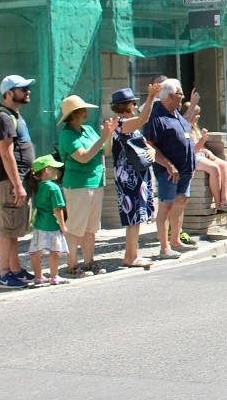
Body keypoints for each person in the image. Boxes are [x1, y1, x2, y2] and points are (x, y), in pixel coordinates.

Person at [58, 94, 116, 277]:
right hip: (77, 185)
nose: (85, 112)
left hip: (95, 182)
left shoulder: (89, 129)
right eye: (82, 109)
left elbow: (105, 151)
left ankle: (89, 262)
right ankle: (72, 264)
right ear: (73, 114)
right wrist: (103, 137)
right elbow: (82, 157)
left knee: (91, 228)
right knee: (75, 227)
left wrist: (109, 135)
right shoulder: (67, 135)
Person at [0, 75, 36, 288]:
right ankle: (3, 273)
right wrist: (17, 185)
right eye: (22, 88)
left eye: (27, 88)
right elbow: (6, 154)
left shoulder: (13, 115)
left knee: (14, 228)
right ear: (9, 93)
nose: (27, 91)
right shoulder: (2, 118)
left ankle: (15, 269)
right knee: (6, 228)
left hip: (16, 182)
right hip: (7, 183)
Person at [143, 78, 198, 258]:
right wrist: (167, 164)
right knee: (166, 206)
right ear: (170, 96)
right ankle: (164, 247)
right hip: (168, 172)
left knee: (181, 201)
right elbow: (149, 145)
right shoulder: (157, 117)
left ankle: (175, 240)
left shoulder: (175, 114)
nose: (182, 97)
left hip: (185, 169)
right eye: (180, 94)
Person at [110, 85, 160, 269]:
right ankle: (133, 257)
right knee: (134, 217)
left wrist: (152, 151)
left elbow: (141, 144)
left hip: (136, 173)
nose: (135, 105)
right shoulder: (120, 123)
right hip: (128, 175)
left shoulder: (125, 123)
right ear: (126, 105)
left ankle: (130, 255)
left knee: (136, 217)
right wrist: (151, 96)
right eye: (133, 103)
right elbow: (143, 119)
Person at [183, 103, 227, 213]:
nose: (197, 116)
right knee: (214, 168)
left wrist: (207, 150)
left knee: (224, 165)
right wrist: (203, 139)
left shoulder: (195, 127)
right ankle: (218, 203)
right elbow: (192, 151)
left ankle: (225, 199)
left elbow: (201, 146)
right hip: (191, 157)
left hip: (200, 153)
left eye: (198, 114)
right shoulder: (184, 129)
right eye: (195, 114)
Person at [25, 155, 71, 285]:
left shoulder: (36, 186)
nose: (57, 171)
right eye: (54, 168)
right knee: (54, 251)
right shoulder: (53, 187)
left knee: (36, 251)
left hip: (39, 223)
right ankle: (54, 276)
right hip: (52, 224)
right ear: (46, 170)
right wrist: (63, 225)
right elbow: (58, 209)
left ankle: (38, 277)